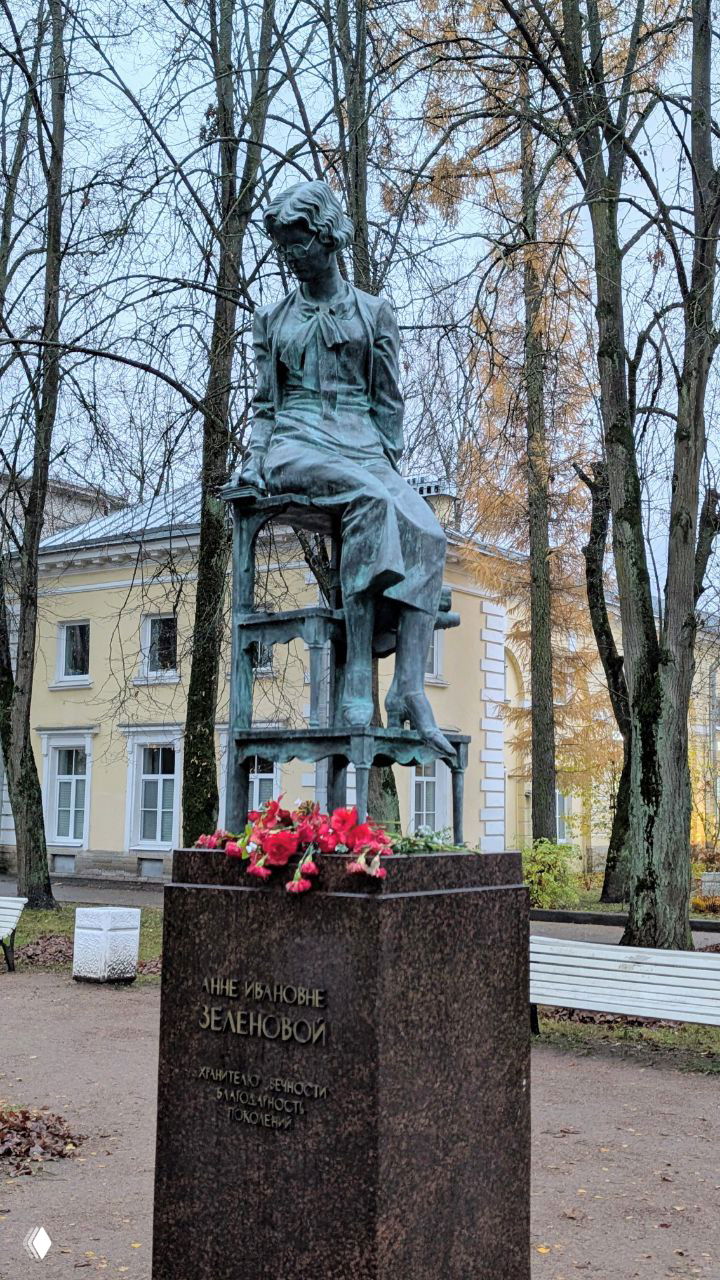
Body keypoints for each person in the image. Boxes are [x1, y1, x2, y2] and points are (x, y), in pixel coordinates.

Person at [242, 179, 453, 758]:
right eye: (282, 247)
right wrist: (257, 458)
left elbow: (389, 401)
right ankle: (359, 670)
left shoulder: (374, 313)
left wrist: (390, 463)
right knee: (371, 500)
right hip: (296, 441)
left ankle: (408, 686)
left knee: (427, 530)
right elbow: (265, 405)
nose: (289, 257)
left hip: (362, 447)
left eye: (298, 243)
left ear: (327, 236)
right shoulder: (271, 320)